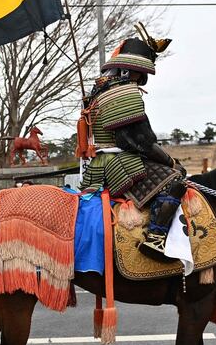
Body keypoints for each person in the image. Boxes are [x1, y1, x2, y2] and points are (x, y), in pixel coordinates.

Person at [76, 23, 185, 258]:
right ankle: (156, 239)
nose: (143, 77)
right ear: (132, 70)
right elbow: (139, 141)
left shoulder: (99, 91)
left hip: (100, 162)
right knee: (175, 182)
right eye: (141, 72)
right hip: (119, 163)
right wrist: (171, 162)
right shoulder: (123, 92)